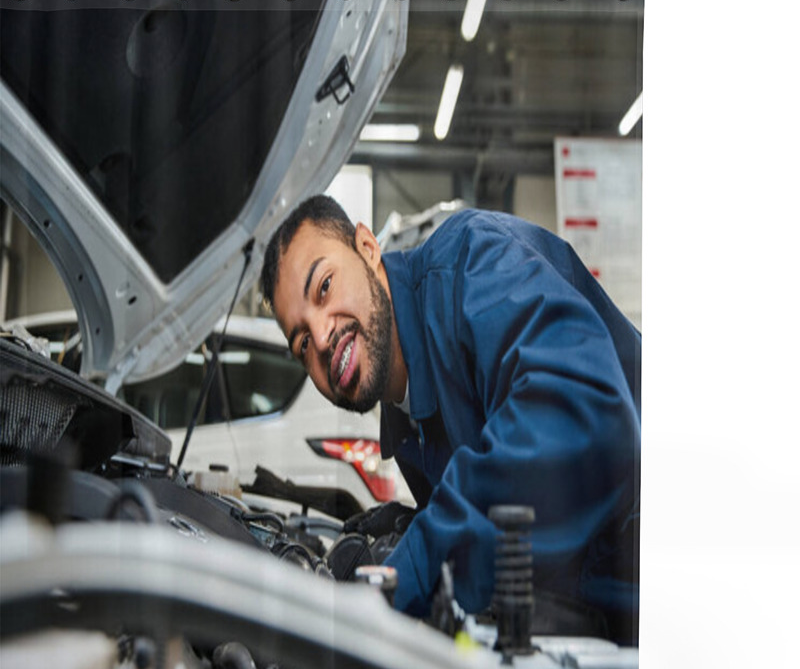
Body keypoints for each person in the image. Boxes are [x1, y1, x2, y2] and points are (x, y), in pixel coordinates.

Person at [261, 195, 640, 646]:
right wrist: (409, 531)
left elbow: (581, 415)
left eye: (323, 287)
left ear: (367, 246)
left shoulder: (473, 263)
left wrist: (414, 568)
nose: (321, 338)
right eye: (301, 342)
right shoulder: (405, 419)